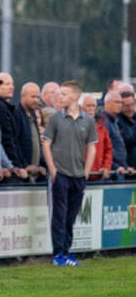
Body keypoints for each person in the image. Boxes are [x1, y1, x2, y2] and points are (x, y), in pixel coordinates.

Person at [42, 81, 97, 267]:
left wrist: (86, 172)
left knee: (71, 215)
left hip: (79, 175)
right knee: (59, 214)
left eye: (64, 94)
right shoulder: (56, 118)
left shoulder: (88, 121)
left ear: (74, 96)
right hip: (60, 174)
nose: (60, 97)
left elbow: (92, 147)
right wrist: (53, 170)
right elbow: (46, 144)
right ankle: (58, 254)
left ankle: (67, 252)